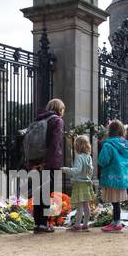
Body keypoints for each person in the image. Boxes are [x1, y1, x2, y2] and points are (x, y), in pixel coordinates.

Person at [25, 98, 66, 234]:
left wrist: (32, 163)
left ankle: (38, 223)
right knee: (47, 192)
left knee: (38, 192)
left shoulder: (37, 121)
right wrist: (48, 163)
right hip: (48, 162)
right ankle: (44, 224)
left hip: (36, 161)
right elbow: (55, 144)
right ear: (60, 109)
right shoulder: (57, 121)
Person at [97, 120, 128, 233]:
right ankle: (115, 221)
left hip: (111, 176)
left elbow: (103, 160)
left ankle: (117, 222)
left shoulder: (108, 144)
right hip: (121, 176)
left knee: (115, 201)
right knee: (116, 202)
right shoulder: (125, 144)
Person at [63, 135, 96, 231]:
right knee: (87, 206)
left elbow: (76, 170)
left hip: (79, 184)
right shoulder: (88, 157)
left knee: (79, 207)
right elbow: (90, 171)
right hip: (87, 183)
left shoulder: (79, 157)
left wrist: (65, 169)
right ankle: (85, 225)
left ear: (78, 146)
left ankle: (77, 225)